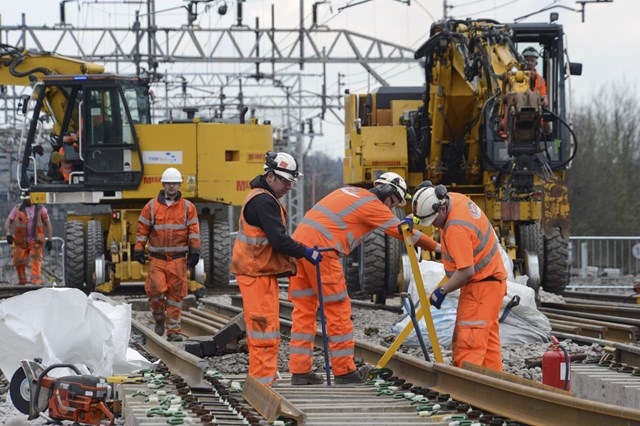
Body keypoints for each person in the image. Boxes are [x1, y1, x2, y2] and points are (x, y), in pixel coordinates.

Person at [289, 172, 440, 384]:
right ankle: (344, 372)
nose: (390, 208)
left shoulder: (350, 192)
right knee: (338, 310)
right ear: (387, 192)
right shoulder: (372, 204)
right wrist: (438, 247)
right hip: (322, 253)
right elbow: (403, 232)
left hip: (299, 251)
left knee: (304, 311)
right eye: (393, 202)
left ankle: (300, 371)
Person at [231, 151, 323, 387]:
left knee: (265, 331)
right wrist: (306, 252)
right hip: (255, 275)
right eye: (285, 181)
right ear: (270, 176)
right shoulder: (264, 202)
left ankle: (264, 380)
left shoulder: (262, 198)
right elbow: (279, 240)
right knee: (264, 332)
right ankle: (261, 386)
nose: (289, 187)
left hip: (259, 273)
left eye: (291, 182)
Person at [412, 181, 507, 371]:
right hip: (492, 284)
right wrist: (420, 235)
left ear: (441, 209)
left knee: (469, 341)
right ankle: (495, 386)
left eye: (433, 222)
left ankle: (466, 388)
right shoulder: (454, 199)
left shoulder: (456, 229)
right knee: (487, 343)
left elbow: (465, 271)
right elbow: (448, 248)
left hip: (480, 287)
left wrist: (442, 291)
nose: (433, 226)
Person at [134, 167, 200, 342]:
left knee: (176, 297)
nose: (172, 186)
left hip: (178, 259)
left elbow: (194, 231)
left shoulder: (188, 207)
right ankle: (159, 318)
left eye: (175, 183)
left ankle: (173, 331)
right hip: (158, 259)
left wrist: (195, 250)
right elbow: (143, 229)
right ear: (163, 184)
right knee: (155, 291)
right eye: (169, 183)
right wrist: (139, 247)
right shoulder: (152, 206)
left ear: (180, 185)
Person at [4, 191, 53, 285]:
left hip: (36, 241)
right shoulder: (17, 209)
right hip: (20, 242)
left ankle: (36, 283)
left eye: (26, 199)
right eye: (23, 199)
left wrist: (49, 239)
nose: (24, 201)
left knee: (36, 261)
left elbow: (48, 224)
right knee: (18, 262)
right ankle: (22, 282)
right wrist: (8, 234)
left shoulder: (40, 209)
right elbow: (8, 221)